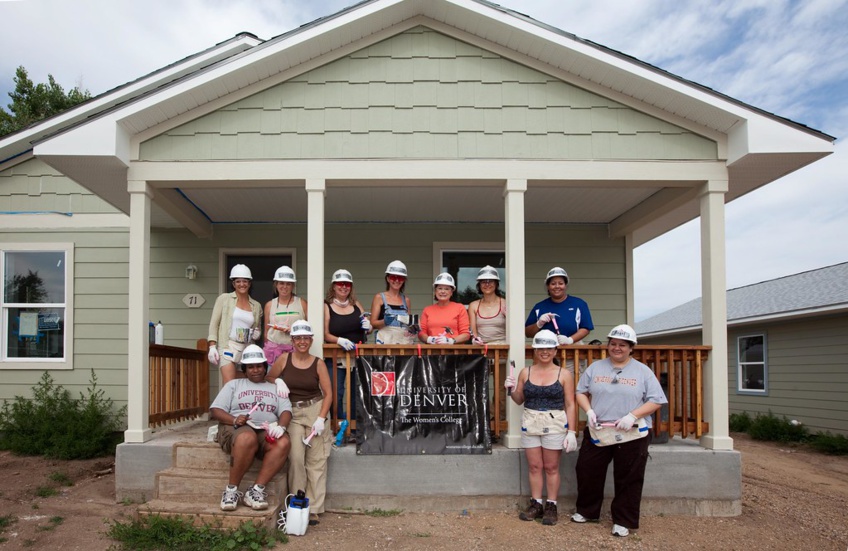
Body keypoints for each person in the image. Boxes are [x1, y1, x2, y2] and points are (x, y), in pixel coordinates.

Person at [570, 324, 668, 538]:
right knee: (587, 470)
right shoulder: (595, 368)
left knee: (629, 476)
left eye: (622, 345)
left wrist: (633, 415)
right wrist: (589, 411)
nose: (617, 348)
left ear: (631, 348)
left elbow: (657, 400)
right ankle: (587, 511)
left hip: (632, 432)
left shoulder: (643, 371)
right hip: (599, 430)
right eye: (613, 344)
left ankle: (623, 520)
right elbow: (580, 392)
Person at [504, 329, 578, 526]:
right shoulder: (525, 372)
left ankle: (551, 505)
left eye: (548, 348)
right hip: (531, 421)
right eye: (540, 348)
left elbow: (570, 403)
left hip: (554, 423)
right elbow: (519, 400)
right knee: (535, 466)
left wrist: (572, 431)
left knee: (551, 467)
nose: (544, 352)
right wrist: (511, 389)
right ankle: (536, 503)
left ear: (555, 350)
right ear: (534, 351)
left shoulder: (564, 374)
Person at [209, 344, 292, 512]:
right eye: (251, 367)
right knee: (247, 437)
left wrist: (282, 427)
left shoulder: (274, 387)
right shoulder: (234, 385)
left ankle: (255, 491)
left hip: (264, 429)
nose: (256, 370)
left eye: (259, 366)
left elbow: (286, 410)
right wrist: (234, 419)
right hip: (237, 428)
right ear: (245, 370)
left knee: (283, 442)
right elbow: (215, 410)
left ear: (265, 367)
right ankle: (231, 490)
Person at [267, 320, 332, 525]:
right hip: (292, 412)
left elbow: (328, 393)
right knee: (296, 459)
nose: (302, 342)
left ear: (311, 340)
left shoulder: (318, 363)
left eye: (306, 338)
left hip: (315, 409)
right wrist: (277, 380)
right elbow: (268, 377)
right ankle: (297, 502)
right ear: (292, 340)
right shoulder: (284, 359)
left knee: (316, 462)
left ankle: (313, 508)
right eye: (298, 338)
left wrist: (321, 418)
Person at [525, 266, 594, 372]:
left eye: (560, 283)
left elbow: (586, 328)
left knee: (570, 385)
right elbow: (528, 332)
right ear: (548, 286)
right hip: (545, 355)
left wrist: (570, 340)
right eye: (553, 283)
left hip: (572, 355)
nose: (557, 286)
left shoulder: (579, 304)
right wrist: (538, 324)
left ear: (565, 285)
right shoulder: (539, 307)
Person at [323, 269, 370, 420]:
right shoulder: (326, 306)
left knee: (355, 393)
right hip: (336, 357)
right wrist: (339, 340)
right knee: (336, 393)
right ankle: (336, 427)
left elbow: (367, 328)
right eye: (340, 283)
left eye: (347, 284)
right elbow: (325, 334)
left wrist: (368, 326)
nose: (344, 287)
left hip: (356, 356)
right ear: (334, 286)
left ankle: (355, 428)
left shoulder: (355, 304)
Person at [468, 265, 507, 434]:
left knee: (500, 389)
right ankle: (480, 421)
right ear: (479, 285)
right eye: (483, 281)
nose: (487, 284)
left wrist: (508, 316)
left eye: (491, 281)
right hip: (482, 350)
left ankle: (496, 423)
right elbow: (473, 331)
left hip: (502, 350)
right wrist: (475, 340)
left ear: (497, 284)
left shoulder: (505, 303)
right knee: (479, 387)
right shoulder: (474, 305)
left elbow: (514, 329)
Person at [208, 264, 263, 384]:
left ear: (249, 283)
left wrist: (257, 333)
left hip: (247, 347)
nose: (242, 284)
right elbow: (214, 323)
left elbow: (257, 328)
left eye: (245, 281)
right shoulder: (224, 299)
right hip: (228, 346)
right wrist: (212, 346)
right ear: (233, 284)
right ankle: (225, 403)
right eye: (238, 281)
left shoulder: (256, 305)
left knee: (248, 381)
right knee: (229, 383)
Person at [263, 265, 308, 367]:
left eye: (288, 284)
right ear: (276, 285)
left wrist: (294, 331)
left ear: (293, 286)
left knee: (293, 382)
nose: (284, 286)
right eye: (281, 283)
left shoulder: (302, 303)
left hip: (296, 350)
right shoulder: (269, 305)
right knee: (272, 380)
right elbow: (266, 332)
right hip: (273, 352)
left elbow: (309, 328)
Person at [370, 260, 415, 345]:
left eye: (400, 278)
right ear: (388, 279)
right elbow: (373, 323)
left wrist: (413, 329)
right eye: (393, 277)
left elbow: (408, 325)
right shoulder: (379, 298)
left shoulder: (406, 300)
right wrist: (385, 321)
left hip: (403, 344)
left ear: (404, 280)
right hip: (385, 343)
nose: (397, 280)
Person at [418, 273, 470, 344]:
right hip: (432, 352)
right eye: (440, 288)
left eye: (447, 289)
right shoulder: (427, 310)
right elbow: (421, 332)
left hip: (455, 352)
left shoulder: (460, 308)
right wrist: (430, 339)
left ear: (451, 292)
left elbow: (466, 334)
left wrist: (451, 341)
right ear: (435, 291)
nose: (443, 291)